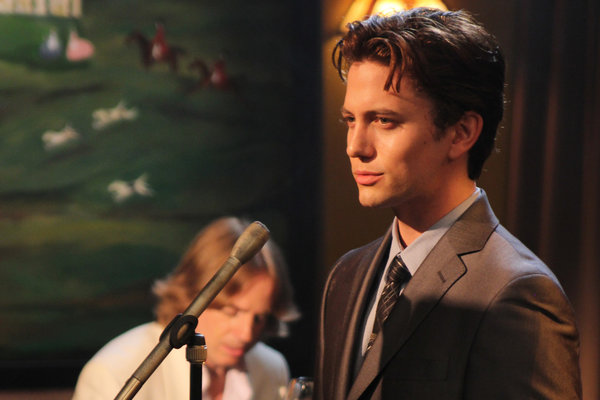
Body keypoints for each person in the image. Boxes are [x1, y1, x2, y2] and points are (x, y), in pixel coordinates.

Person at [316, 7, 581, 400]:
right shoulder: (346, 276)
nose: (356, 146)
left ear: (462, 133)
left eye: (385, 120)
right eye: (350, 120)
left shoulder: (516, 292)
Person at [73, 217, 300, 400]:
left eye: (259, 317)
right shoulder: (112, 372)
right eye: (232, 312)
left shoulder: (271, 369)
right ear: (193, 293)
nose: (246, 334)